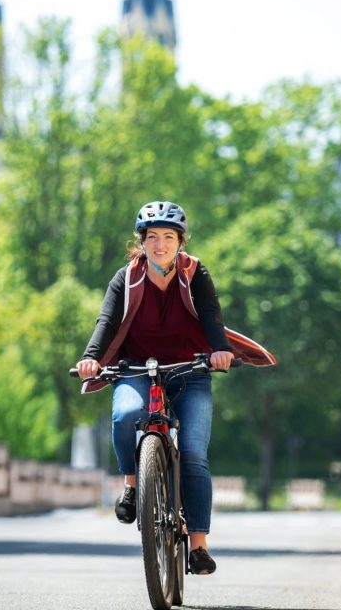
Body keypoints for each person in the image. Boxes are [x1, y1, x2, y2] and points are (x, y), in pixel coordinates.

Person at [76, 200, 233, 576]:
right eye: (152, 237)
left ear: (181, 241)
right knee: (126, 414)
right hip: (136, 370)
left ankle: (198, 545)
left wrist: (220, 350)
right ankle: (132, 485)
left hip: (190, 371)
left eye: (168, 237)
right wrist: (91, 357)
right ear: (141, 241)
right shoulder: (127, 278)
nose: (160, 245)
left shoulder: (194, 273)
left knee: (193, 453)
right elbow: (107, 320)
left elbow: (211, 315)